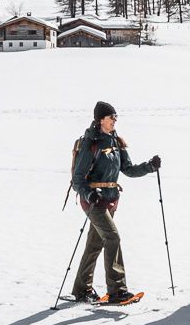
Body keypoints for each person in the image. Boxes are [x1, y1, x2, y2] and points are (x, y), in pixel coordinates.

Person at [67, 101, 160, 305]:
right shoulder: (91, 143)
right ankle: (117, 290)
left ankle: (82, 289)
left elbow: (127, 169)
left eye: (116, 116)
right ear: (101, 119)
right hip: (94, 200)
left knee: (95, 243)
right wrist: (89, 194)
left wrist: (149, 167)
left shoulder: (116, 141)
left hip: (110, 199)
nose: (115, 120)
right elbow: (78, 179)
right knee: (113, 238)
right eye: (111, 117)